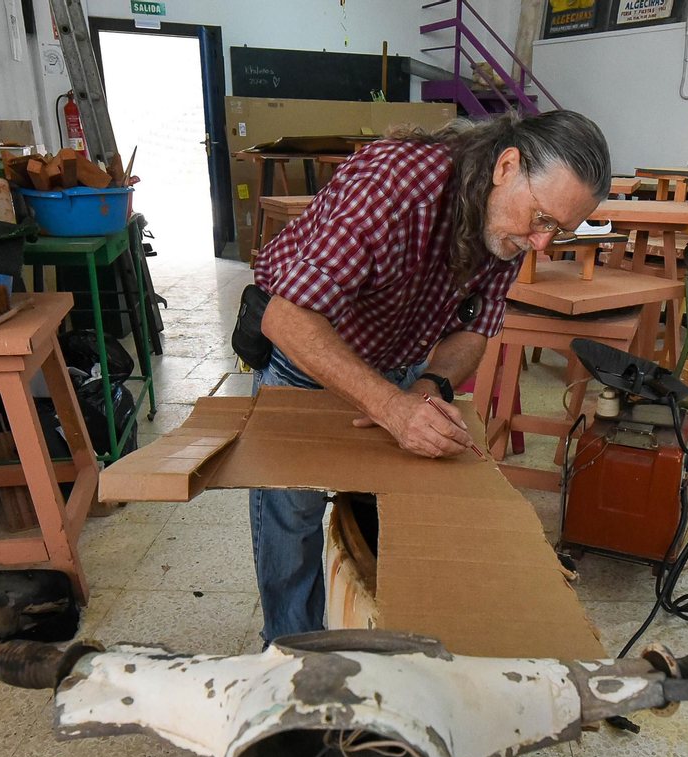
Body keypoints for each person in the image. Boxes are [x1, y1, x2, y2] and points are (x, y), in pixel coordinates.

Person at [244, 110, 612, 642]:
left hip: (397, 362)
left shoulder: (510, 226)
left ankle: (381, 643)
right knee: (291, 516)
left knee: (394, 516)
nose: (542, 244)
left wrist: (425, 389)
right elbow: (287, 318)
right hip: (307, 357)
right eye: (542, 219)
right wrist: (390, 407)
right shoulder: (393, 186)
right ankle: (289, 654)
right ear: (507, 165)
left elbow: (475, 332)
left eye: (559, 229)